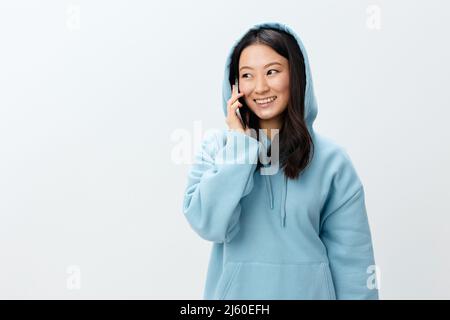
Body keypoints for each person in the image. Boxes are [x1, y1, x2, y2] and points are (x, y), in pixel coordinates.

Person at [182, 21, 379, 300]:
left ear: (295, 76)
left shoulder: (332, 161)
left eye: (272, 72)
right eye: (247, 75)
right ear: (235, 86)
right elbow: (209, 224)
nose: (260, 87)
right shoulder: (217, 149)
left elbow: (354, 264)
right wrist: (241, 147)